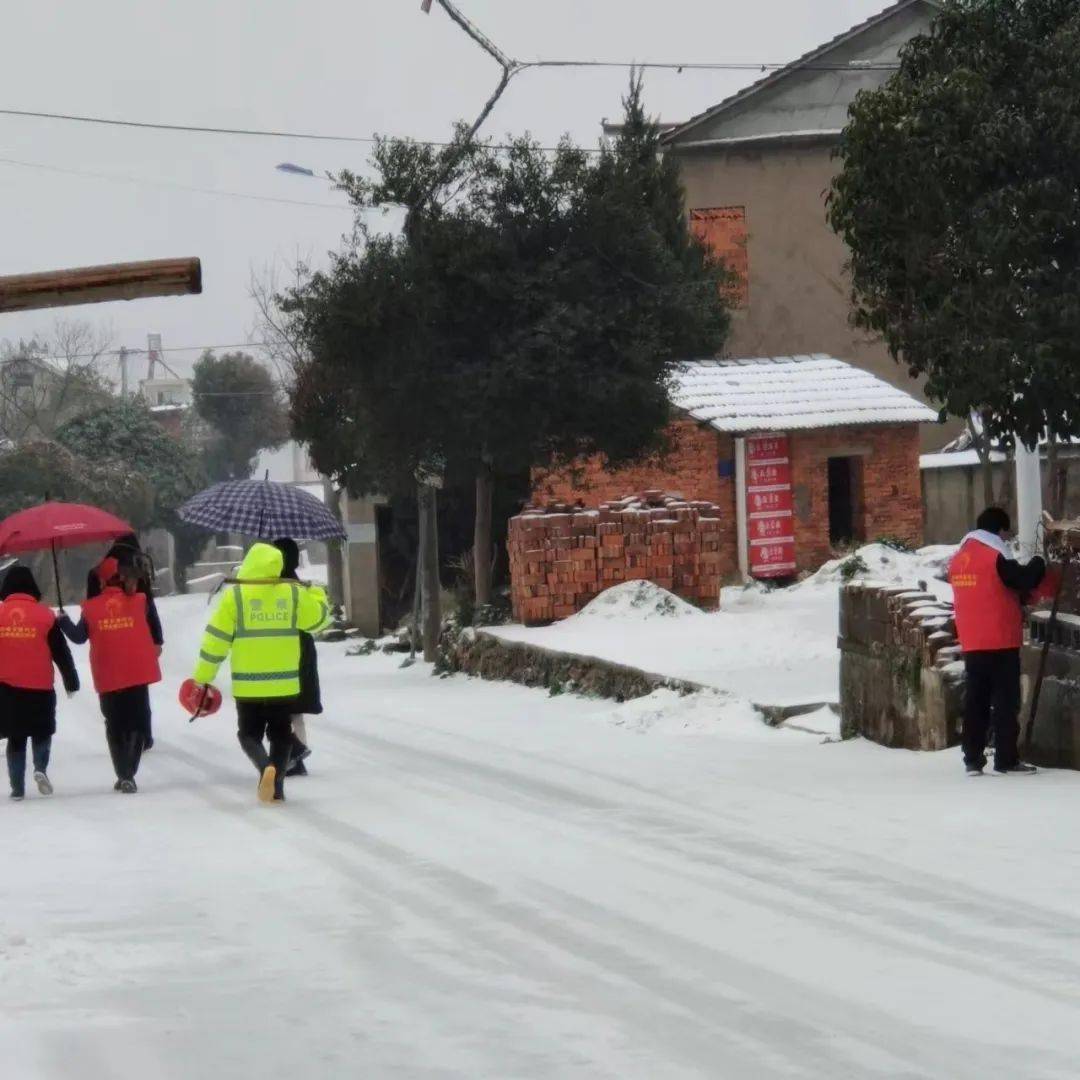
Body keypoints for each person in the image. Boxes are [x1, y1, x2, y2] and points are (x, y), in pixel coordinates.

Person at [191, 541, 331, 803]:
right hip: (284, 683)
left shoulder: (235, 596)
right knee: (281, 734)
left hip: (249, 684)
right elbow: (318, 620)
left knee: (248, 734)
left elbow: (216, 640)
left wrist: (204, 677)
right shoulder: (292, 593)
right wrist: (316, 594)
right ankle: (276, 785)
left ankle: (264, 765)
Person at [949, 507, 1049, 776]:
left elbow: (988, 590)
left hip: (972, 640)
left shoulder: (959, 557)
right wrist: (1040, 560)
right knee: (1006, 702)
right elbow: (1023, 579)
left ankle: (972, 758)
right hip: (1000, 639)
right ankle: (1006, 759)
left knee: (976, 701)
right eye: (1007, 533)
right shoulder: (995, 556)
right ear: (999, 530)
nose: (1008, 539)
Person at [58, 557, 162, 793]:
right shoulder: (139, 600)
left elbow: (78, 637)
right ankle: (129, 773)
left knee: (115, 725)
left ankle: (124, 774)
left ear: (103, 580)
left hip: (108, 674)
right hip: (137, 672)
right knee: (137, 724)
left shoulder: (91, 608)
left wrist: (63, 621)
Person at [0, 566, 79, 800]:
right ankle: (40, 769)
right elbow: (60, 653)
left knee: (16, 737)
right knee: (41, 731)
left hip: (7, 687)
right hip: (40, 687)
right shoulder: (45, 616)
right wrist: (71, 680)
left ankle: (17, 788)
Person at [85, 534, 163, 749]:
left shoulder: (97, 571)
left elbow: (90, 605)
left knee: (114, 685)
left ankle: (119, 730)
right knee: (139, 688)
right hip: (138, 636)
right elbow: (150, 609)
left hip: (107, 635)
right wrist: (157, 638)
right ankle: (143, 735)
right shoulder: (137, 570)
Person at [273, 538, 322, 777]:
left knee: (278, 709)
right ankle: (297, 757)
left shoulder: (273, 586)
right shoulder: (298, 585)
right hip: (302, 648)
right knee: (295, 710)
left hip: (281, 650)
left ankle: (291, 757)